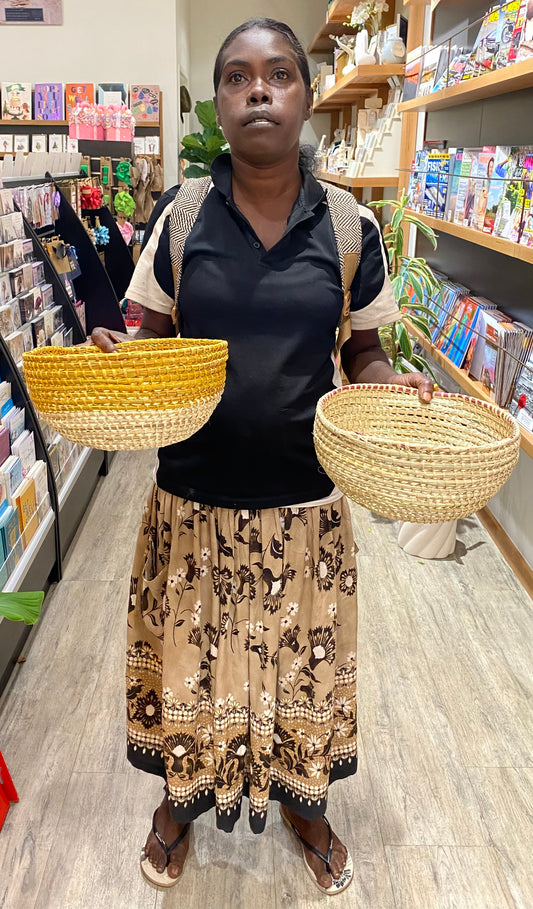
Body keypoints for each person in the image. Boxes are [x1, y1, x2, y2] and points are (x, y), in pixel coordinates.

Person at [89, 17, 434, 894]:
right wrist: (121, 356)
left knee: (301, 667)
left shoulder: (350, 226)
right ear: (218, 101)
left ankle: (304, 803)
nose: (257, 91)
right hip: (192, 497)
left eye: (278, 74)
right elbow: (154, 337)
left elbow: (362, 352)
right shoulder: (180, 216)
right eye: (237, 77)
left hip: (304, 504)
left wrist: (383, 385)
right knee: (186, 663)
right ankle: (179, 801)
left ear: (305, 98)